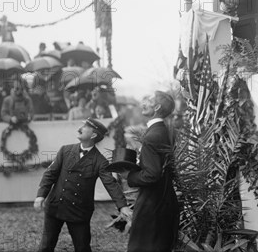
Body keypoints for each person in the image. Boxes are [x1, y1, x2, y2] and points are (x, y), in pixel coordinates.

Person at [34, 117, 132, 252]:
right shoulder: (65, 150)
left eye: (85, 127)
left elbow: (111, 183)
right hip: (55, 206)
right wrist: (41, 195)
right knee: (45, 246)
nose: (79, 129)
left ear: (93, 135)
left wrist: (123, 206)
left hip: (79, 212)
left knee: (82, 247)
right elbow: (50, 174)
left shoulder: (100, 161)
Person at [119, 91, 179, 252]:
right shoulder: (166, 131)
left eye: (148, 100)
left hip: (152, 207)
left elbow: (152, 174)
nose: (143, 102)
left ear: (157, 107)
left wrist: (129, 176)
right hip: (166, 201)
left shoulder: (153, 135)